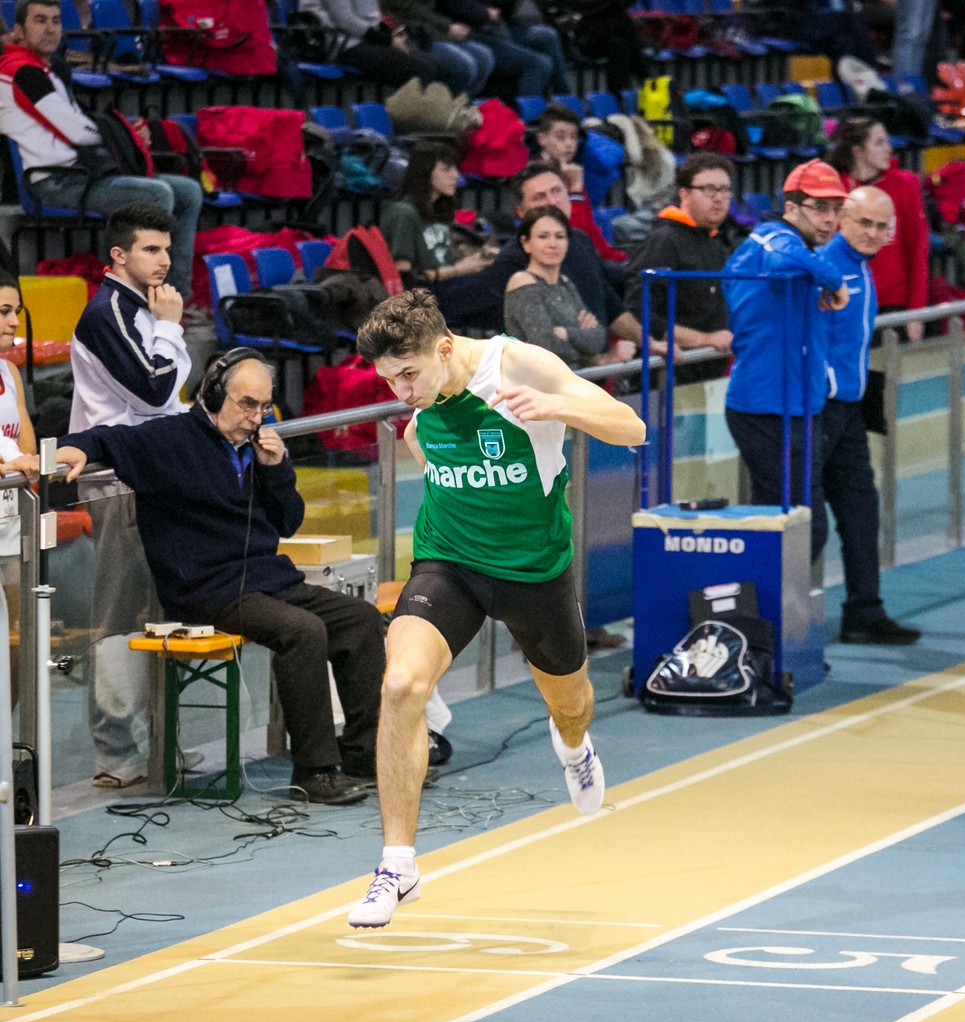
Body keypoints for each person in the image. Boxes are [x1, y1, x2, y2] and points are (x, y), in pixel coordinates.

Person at [346, 288, 646, 927]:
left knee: (571, 704)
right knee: (400, 685)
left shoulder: (519, 366)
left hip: (533, 571)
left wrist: (556, 406)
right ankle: (397, 866)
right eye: (389, 379)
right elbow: (421, 441)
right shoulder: (421, 407)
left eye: (409, 374)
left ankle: (573, 748)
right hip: (448, 561)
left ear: (444, 348)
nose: (401, 391)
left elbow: (632, 427)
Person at [17, 350, 380, 805]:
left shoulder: (257, 448)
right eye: (247, 404)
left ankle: (364, 757)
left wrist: (277, 471)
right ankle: (315, 771)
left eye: (263, 407)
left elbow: (288, 523)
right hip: (204, 589)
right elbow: (108, 439)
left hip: (267, 580)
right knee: (303, 632)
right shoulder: (170, 438)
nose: (256, 418)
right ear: (212, 395)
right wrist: (74, 448)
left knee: (360, 619)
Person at [68, 204, 190, 789]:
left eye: (167, 248)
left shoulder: (144, 308)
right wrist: (171, 327)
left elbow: (167, 399)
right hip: (118, 482)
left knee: (163, 614)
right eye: (150, 249)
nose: (164, 260)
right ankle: (115, 753)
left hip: (154, 475)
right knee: (119, 616)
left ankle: (158, 744)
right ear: (119, 255)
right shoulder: (107, 312)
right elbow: (155, 391)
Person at [0, 0, 203, 297]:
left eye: (56, 21)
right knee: (157, 194)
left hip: (83, 174)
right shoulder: (20, 72)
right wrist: (125, 137)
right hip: (55, 182)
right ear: (18, 30)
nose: (50, 29)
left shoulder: (47, 70)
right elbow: (77, 132)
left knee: (188, 191)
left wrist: (125, 134)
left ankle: (176, 297)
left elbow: (82, 126)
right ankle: (145, 299)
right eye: (40, 20)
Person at [723, 160, 851, 564]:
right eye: (820, 208)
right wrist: (834, 281)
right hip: (765, 408)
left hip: (795, 406)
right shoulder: (773, 238)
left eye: (836, 209)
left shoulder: (800, 247)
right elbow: (783, 258)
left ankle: (756, 601)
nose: (830, 219)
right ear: (791, 208)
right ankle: (748, 597)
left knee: (786, 526)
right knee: (800, 529)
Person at [818, 187, 921, 645]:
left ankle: (864, 611)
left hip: (849, 412)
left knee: (861, 511)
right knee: (804, 524)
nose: (873, 233)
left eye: (882, 227)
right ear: (842, 219)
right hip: (819, 411)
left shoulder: (861, 266)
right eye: (864, 223)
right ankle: (777, 622)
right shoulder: (825, 268)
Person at [491, 161, 648, 347]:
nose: (552, 202)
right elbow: (539, 339)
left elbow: (610, 306)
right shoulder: (512, 261)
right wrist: (603, 359)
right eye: (539, 197)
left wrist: (649, 343)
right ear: (520, 212)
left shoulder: (580, 240)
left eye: (556, 191)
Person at [623, 152, 738, 358]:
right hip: (672, 366)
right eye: (708, 189)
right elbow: (637, 311)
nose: (719, 198)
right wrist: (702, 339)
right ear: (684, 194)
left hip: (710, 365)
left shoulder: (717, 240)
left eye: (725, 190)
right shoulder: (664, 241)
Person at [827, 119, 929, 341]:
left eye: (887, 142)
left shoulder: (905, 185)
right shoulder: (834, 189)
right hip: (847, 304)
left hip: (892, 304)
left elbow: (917, 251)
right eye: (879, 143)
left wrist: (916, 312)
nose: (889, 149)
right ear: (858, 150)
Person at [381, 142, 498, 331]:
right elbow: (405, 277)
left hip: (445, 288)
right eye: (446, 169)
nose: (456, 176)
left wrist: (473, 260)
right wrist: (459, 269)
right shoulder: (404, 212)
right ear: (425, 173)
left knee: (506, 281)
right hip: (423, 299)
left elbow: (440, 263)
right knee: (502, 285)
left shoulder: (437, 211)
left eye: (456, 169)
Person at [504, 205, 621, 369]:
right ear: (526, 243)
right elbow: (547, 347)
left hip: (572, 378)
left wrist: (566, 333)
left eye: (559, 236)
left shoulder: (565, 282)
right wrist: (582, 340)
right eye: (543, 237)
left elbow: (599, 339)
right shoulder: (521, 281)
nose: (553, 244)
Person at [0, 273, 35, 712]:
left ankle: (6, 740)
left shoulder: (9, 372)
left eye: (15, 312)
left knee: (18, 640)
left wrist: (13, 461)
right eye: (3, 312)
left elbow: (27, 448)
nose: (13, 322)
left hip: (10, 522)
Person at [534, 103, 627, 265]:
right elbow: (570, 234)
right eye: (561, 137)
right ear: (542, 139)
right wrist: (575, 192)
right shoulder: (535, 179)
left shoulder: (571, 171)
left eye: (573, 137)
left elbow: (589, 228)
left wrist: (617, 257)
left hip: (585, 258)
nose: (569, 144)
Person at [297, 0, 446, 88]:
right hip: (341, 45)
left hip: (364, 40)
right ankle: (410, 124)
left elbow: (371, 19)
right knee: (422, 70)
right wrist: (389, 41)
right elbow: (346, 21)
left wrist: (392, 33)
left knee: (435, 65)